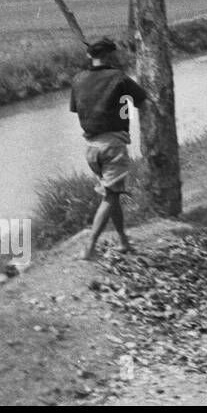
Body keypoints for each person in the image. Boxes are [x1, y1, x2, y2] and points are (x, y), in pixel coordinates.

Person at [70, 37, 148, 260]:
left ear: (90, 56)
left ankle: (123, 239)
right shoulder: (119, 77)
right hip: (113, 145)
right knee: (111, 195)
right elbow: (142, 100)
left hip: (91, 148)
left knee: (110, 194)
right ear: (111, 55)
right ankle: (90, 246)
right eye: (116, 54)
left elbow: (78, 109)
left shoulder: (78, 79)